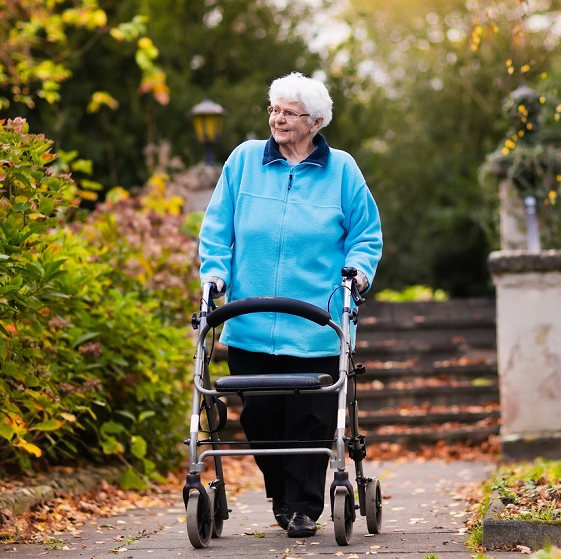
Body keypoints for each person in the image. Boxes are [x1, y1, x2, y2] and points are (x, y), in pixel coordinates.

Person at [198, 71, 382, 538]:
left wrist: (357, 272)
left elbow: (366, 234)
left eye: (289, 112)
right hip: (250, 321)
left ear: (315, 122)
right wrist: (214, 271)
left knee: (311, 418)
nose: (277, 119)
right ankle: (283, 493)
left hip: (317, 324)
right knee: (259, 417)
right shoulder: (243, 162)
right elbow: (217, 227)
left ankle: (302, 506)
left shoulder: (342, 170)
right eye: (274, 109)